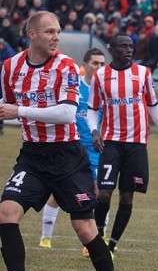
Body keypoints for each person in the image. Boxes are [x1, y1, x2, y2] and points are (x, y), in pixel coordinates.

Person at [0, 11, 124, 271]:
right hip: (33, 155)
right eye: (50, 32)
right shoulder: (10, 67)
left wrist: (20, 110)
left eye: (58, 31)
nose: (56, 37)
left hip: (68, 157)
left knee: (84, 228)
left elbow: (68, 114)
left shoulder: (66, 66)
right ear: (32, 34)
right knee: (6, 212)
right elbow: (6, 106)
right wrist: (13, 110)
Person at [87, 34, 158, 254]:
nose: (129, 50)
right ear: (112, 49)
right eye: (123, 46)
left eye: (131, 46)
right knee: (103, 195)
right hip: (110, 142)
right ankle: (99, 233)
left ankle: (112, 245)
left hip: (137, 144)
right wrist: (94, 132)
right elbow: (92, 108)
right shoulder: (101, 76)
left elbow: (153, 104)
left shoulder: (143, 73)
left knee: (128, 196)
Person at [39, 48, 107, 250]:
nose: (99, 67)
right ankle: (45, 238)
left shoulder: (105, 90)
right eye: (95, 63)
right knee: (58, 193)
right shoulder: (75, 87)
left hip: (96, 150)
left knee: (101, 193)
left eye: (102, 64)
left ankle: (96, 240)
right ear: (85, 65)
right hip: (71, 148)